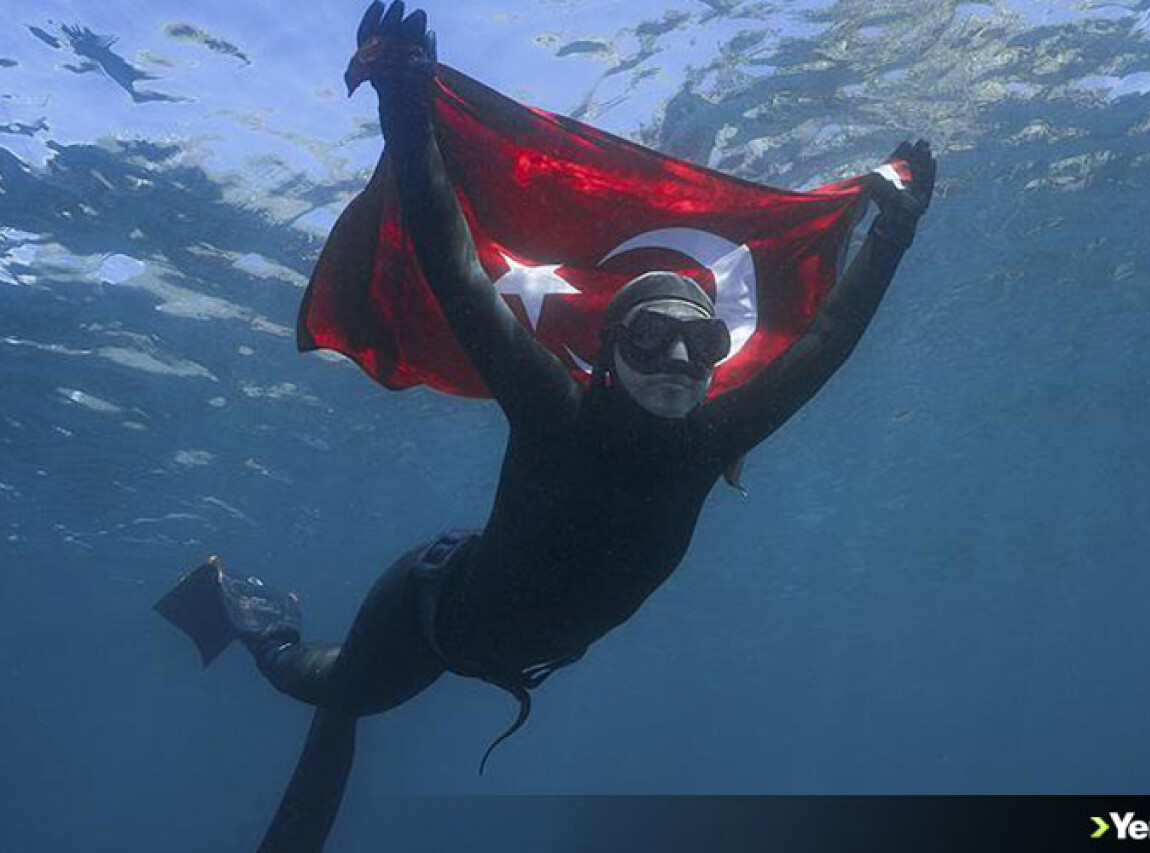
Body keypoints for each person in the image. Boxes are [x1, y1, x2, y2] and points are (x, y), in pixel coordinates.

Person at [154, 2, 936, 851]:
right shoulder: (553, 409)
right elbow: (456, 269)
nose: (678, 358)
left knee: (346, 706)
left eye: (703, 341)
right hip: (425, 611)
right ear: (606, 353)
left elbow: (827, 339)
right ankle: (255, 615)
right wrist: (405, 107)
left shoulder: (713, 437)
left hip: (490, 633)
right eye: (650, 336)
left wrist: (894, 231)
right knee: (328, 685)